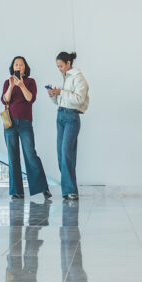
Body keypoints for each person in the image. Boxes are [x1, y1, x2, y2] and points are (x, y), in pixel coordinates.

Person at [1, 56, 50, 203]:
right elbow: (5, 100)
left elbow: (30, 98)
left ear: (25, 68)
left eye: (21, 64)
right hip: (9, 124)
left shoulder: (30, 82)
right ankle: (17, 192)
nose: (18, 66)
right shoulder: (7, 82)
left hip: (25, 123)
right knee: (13, 157)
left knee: (30, 155)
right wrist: (11, 86)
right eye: (16, 64)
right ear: (13, 67)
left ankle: (42, 188)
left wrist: (21, 85)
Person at [46, 51, 89, 201]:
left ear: (69, 63)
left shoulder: (79, 78)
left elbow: (78, 99)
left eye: (61, 66)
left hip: (71, 117)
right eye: (58, 67)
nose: (60, 69)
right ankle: (67, 191)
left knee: (67, 154)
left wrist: (61, 92)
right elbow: (60, 101)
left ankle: (71, 191)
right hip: (60, 115)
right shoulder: (64, 78)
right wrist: (54, 95)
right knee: (60, 155)